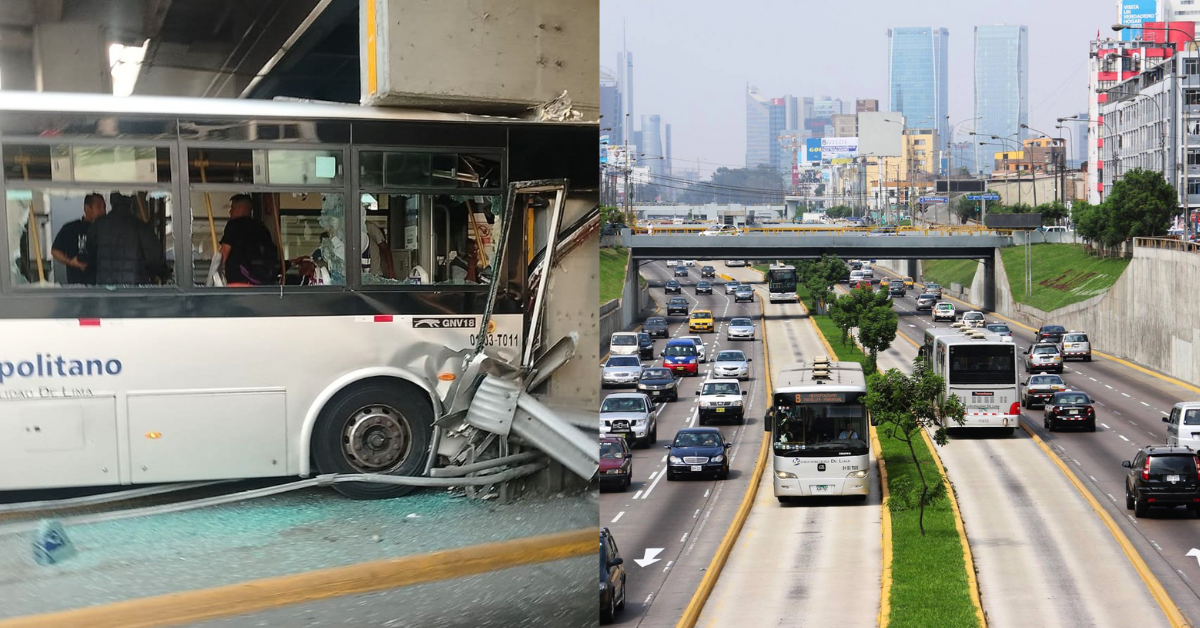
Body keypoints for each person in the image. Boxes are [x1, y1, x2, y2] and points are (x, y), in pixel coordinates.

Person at [87, 192, 165, 285]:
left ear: (111, 203)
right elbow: (154, 257)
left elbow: (90, 253)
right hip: (134, 287)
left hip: (106, 287)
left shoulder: (97, 226)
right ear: (130, 203)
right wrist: (152, 274)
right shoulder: (140, 226)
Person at [219, 194, 279, 286]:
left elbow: (223, 254)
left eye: (232, 208)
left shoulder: (234, 225)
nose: (230, 211)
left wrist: (215, 272)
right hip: (261, 283)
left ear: (242, 209)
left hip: (239, 282)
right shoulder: (262, 228)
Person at [51, 193, 105, 285]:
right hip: (77, 284)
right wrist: (70, 262)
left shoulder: (107, 229)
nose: (103, 211)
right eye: (99, 207)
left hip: (102, 284)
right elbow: (55, 251)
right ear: (87, 208)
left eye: (104, 207)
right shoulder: (71, 228)